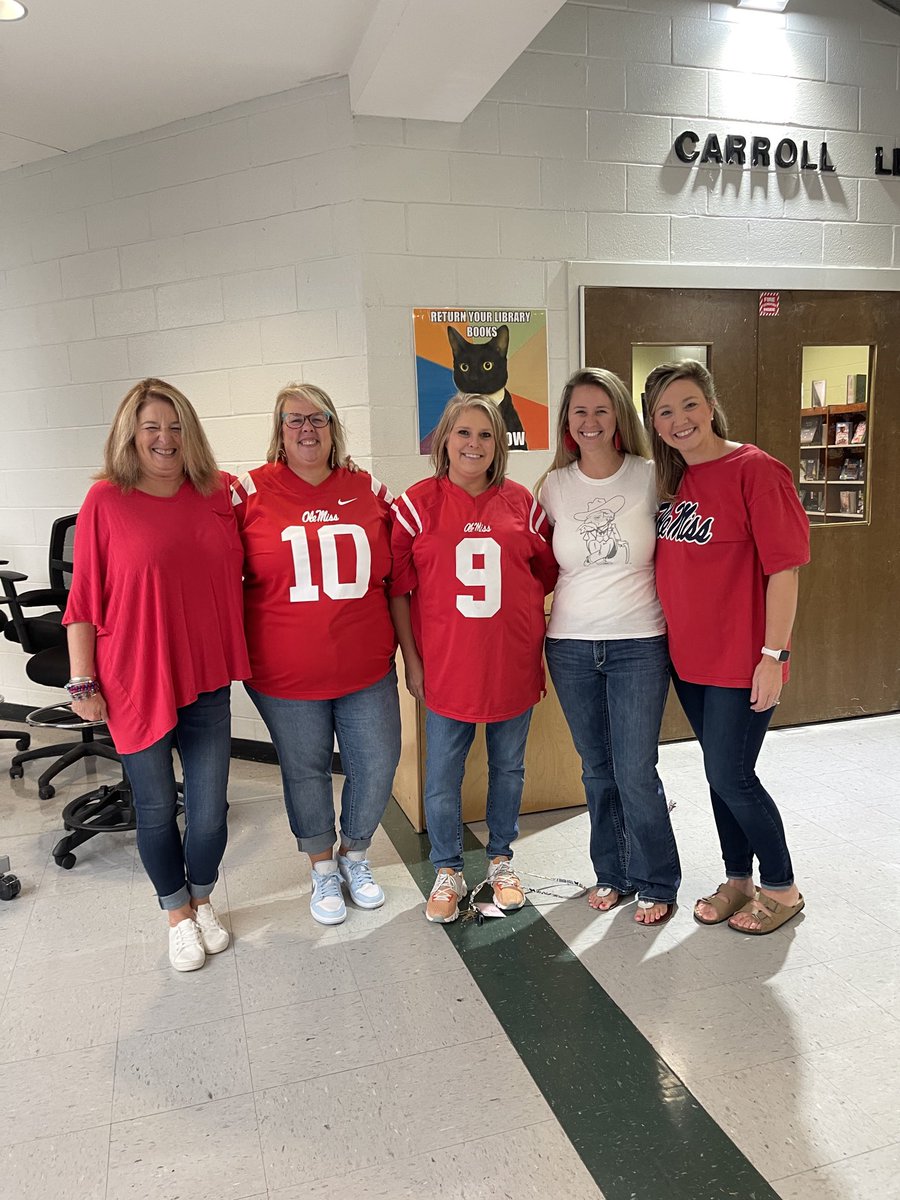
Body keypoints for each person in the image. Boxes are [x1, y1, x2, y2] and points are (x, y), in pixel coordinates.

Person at [65, 379, 250, 971]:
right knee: (153, 808)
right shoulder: (105, 500)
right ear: (132, 434)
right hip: (133, 680)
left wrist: (334, 460)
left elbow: (277, 506)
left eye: (175, 427)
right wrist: (82, 683)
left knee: (210, 808)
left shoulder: (218, 492)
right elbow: (83, 601)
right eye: (152, 428)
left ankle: (201, 899)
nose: (165, 439)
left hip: (205, 676)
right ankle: (175, 915)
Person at [645, 359, 809, 935]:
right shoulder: (674, 482)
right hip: (689, 660)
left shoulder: (757, 470)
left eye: (689, 404)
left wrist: (774, 656)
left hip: (743, 660)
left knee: (732, 774)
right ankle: (738, 879)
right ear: (654, 423)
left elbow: (784, 570)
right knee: (721, 774)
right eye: (665, 411)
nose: (679, 419)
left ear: (710, 404)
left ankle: (782, 886)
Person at [231, 383, 401, 926]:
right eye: (294, 420)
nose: (307, 429)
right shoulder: (248, 492)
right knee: (304, 771)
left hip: (365, 666)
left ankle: (356, 854)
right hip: (282, 673)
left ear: (334, 427)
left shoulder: (368, 488)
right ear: (279, 432)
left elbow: (402, 569)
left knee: (376, 763)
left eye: (318, 418)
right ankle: (322, 866)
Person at [391, 394, 558, 923]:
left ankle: (502, 859)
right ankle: (447, 868)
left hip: (509, 662)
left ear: (498, 444)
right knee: (443, 775)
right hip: (447, 667)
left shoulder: (523, 504)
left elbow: (548, 573)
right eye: (463, 433)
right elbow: (397, 589)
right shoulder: (416, 505)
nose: (474, 444)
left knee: (509, 767)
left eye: (485, 435)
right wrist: (412, 663)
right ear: (444, 440)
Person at [537, 368, 679, 926]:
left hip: (640, 643)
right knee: (596, 768)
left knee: (636, 769)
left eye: (601, 410)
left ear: (619, 415)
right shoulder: (552, 486)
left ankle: (656, 878)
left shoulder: (653, 476)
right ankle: (613, 873)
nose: (590, 422)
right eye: (579, 412)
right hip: (570, 644)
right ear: (566, 423)